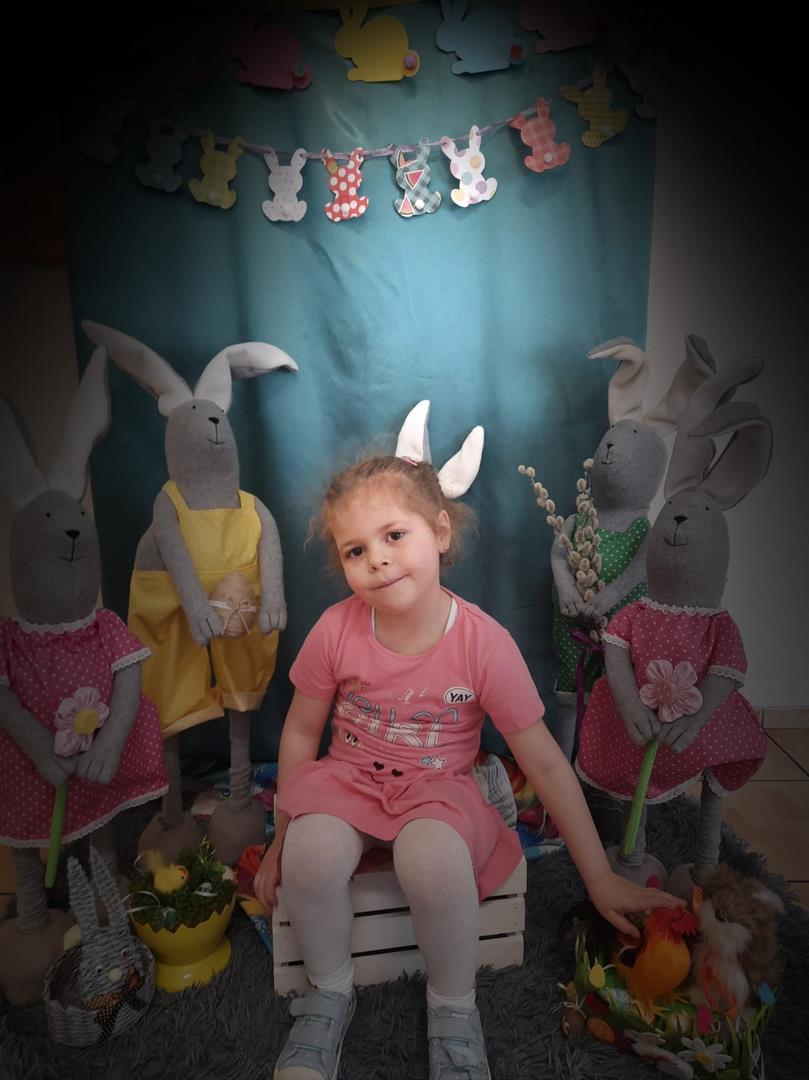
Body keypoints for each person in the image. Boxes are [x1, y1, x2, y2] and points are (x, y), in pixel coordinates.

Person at [255, 453, 678, 1080]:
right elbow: (299, 731)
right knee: (309, 857)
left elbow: (546, 763)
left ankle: (453, 1007)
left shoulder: (483, 642)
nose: (377, 560)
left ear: (440, 531)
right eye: (355, 550)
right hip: (348, 780)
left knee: (432, 862)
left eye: (394, 535)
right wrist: (282, 837)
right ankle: (327, 994)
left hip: (437, 790)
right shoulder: (336, 630)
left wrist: (599, 877)